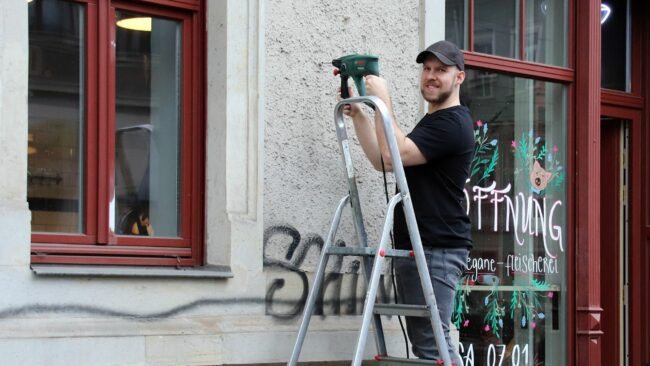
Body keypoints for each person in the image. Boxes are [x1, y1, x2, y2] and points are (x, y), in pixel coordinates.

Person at [337, 40, 473, 365]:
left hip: (437, 249)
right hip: (419, 248)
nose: (431, 75)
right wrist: (359, 114)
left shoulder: (453, 123)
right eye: (427, 68)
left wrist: (382, 99)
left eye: (441, 70)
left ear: (460, 78)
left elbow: (391, 152)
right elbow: (384, 162)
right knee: (428, 346)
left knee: (433, 348)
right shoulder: (433, 122)